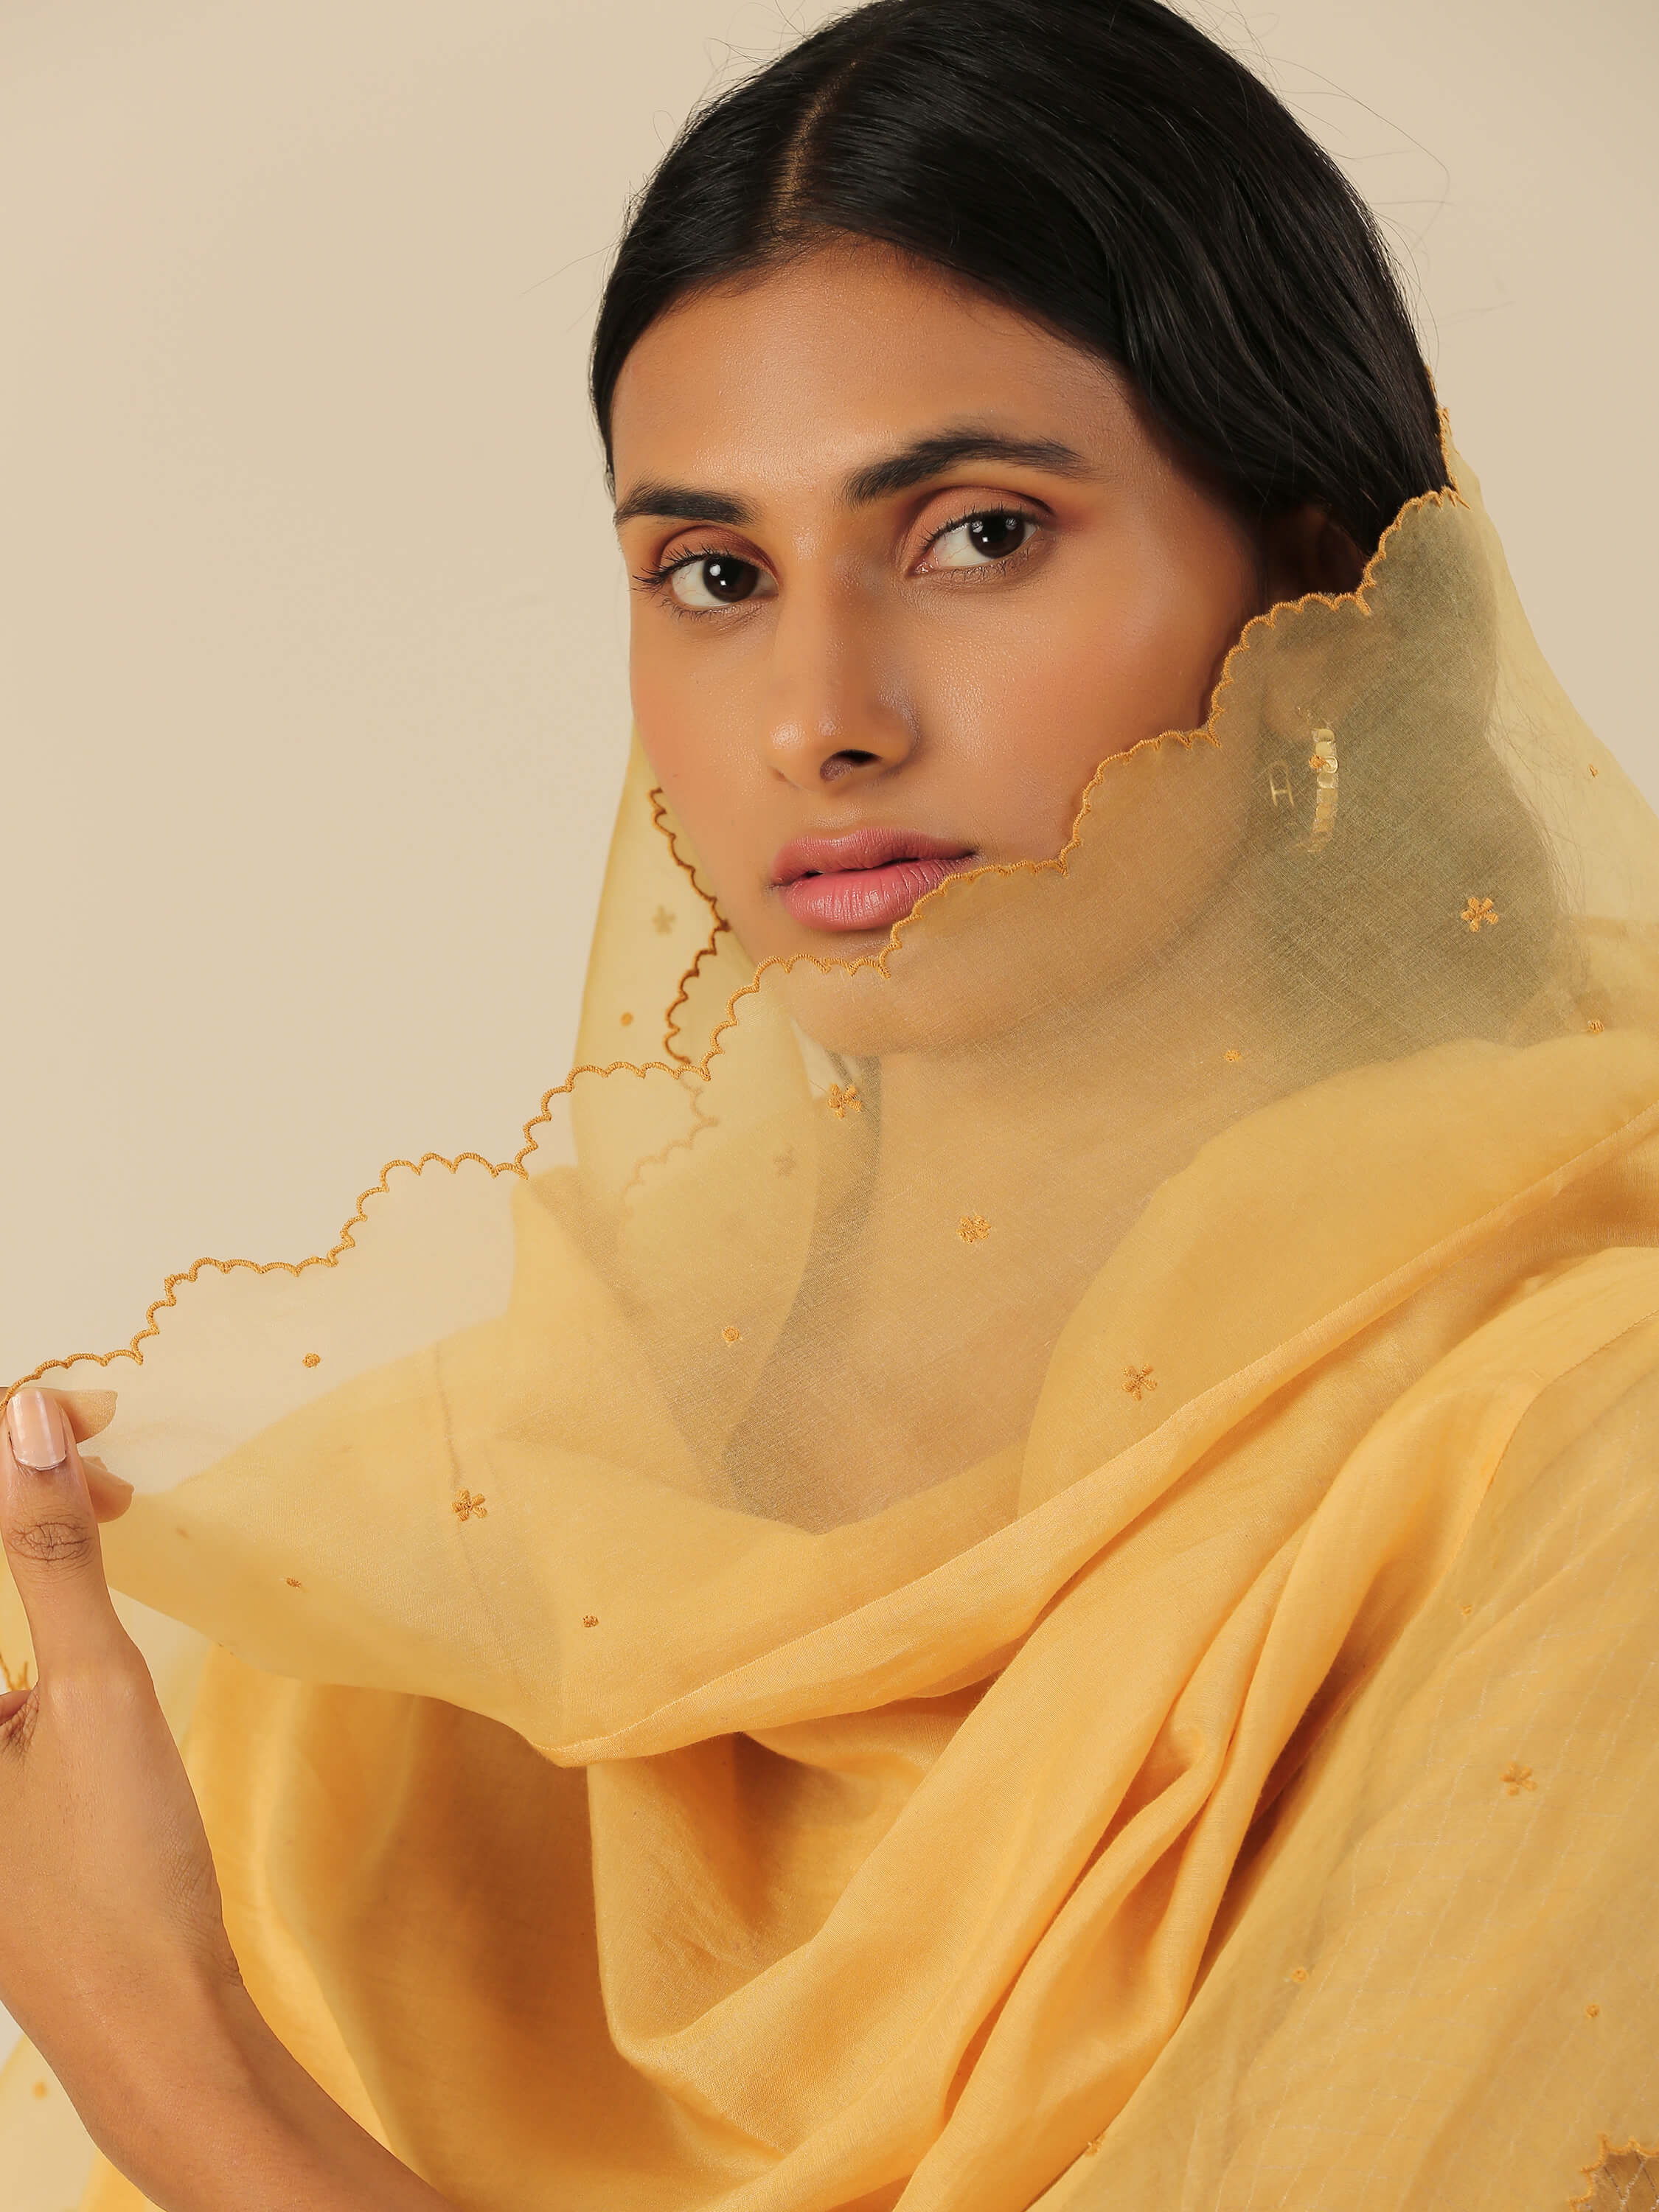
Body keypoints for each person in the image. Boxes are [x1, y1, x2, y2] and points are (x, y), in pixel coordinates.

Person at [2, 1, 1657, 2205]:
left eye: (977, 535)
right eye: (712, 574)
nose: (820, 719)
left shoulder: (1584, 1433)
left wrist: (164, 2050)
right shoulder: (502, 1501)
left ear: (1313, 573)